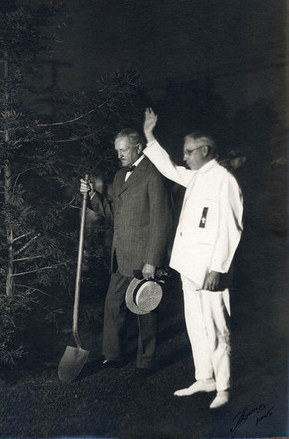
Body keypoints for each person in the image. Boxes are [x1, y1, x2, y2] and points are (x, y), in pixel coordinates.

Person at [143, 108, 243, 409]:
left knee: (217, 328)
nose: (184, 156)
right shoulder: (197, 177)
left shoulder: (223, 180)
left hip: (211, 270)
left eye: (188, 152)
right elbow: (170, 169)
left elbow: (231, 226)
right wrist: (149, 136)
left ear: (205, 150)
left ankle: (223, 388)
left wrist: (217, 267)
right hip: (188, 267)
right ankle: (205, 378)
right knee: (196, 326)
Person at [80, 128, 172, 370]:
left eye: (123, 150)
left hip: (144, 258)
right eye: (117, 150)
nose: (119, 154)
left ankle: (146, 360)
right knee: (113, 305)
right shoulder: (120, 176)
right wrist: (92, 196)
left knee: (146, 310)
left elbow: (161, 220)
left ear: (138, 147)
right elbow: (114, 212)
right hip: (121, 256)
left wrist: (152, 260)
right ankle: (113, 354)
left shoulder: (154, 174)